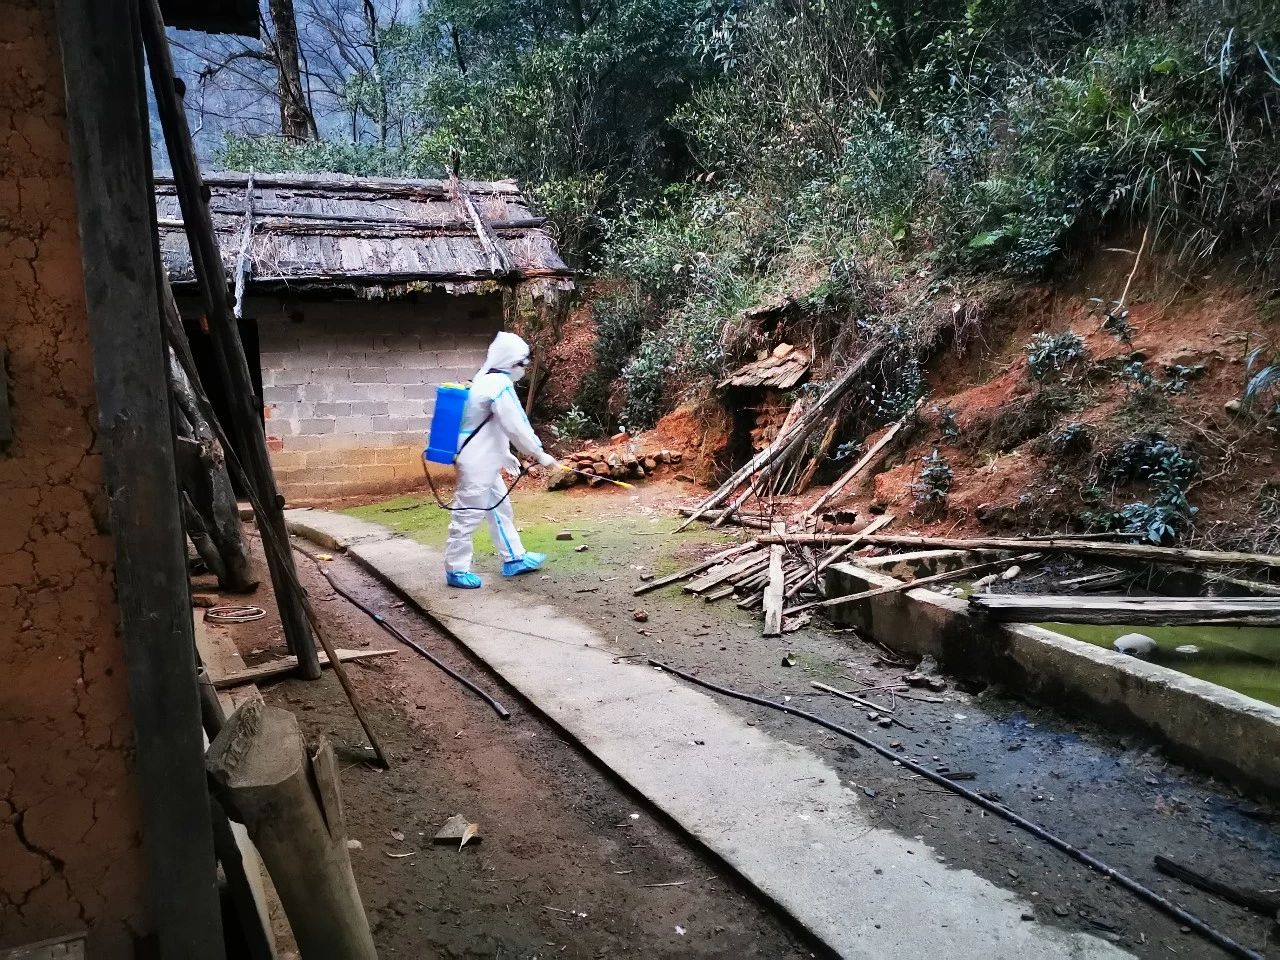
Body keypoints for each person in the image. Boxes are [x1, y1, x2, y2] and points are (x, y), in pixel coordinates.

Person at [444, 331, 557, 589]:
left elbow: (486, 425)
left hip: (484, 458)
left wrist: (504, 453)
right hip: (477, 462)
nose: (523, 370)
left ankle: (514, 558)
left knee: (499, 508)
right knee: (467, 513)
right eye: (521, 364)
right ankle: (456, 569)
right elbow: (516, 425)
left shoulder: (483, 380)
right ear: (509, 362)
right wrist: (539, 454)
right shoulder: (498, 385)